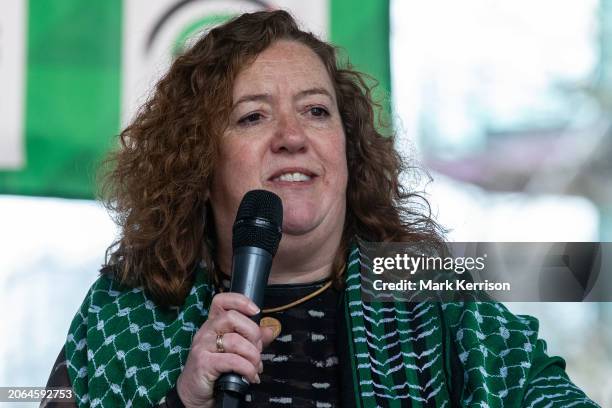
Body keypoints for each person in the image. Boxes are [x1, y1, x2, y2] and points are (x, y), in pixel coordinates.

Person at [44, 10, 599, 408]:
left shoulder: (436, 291)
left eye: (315, 110)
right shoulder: (121, 311)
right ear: (199, 162)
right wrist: (183, 401)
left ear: (347, 146)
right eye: (252, 117)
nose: (292, 137)